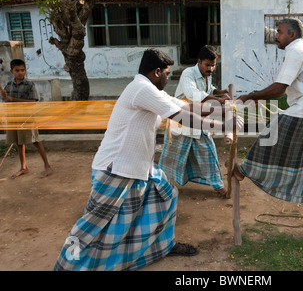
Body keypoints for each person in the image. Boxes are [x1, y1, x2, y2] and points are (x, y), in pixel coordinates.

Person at [53, 49, 242, 271]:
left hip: (141, 167)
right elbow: (181, 117)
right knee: (92, 224)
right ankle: (66, 265)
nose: (168, 77)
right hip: (115, 169)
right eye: (167, 74)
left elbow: (184, 106)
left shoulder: (149, 88)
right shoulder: (141, 90)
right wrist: (222, 126)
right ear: (156, 72)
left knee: (167, 195)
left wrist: (220, 110)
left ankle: (163, 246)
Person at [232, 18, 303, 222]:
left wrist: (251, 96)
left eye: (279, 32)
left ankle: (244, 170)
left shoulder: (295, 51)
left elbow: (279, 88)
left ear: (292, 35)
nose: (276, 36)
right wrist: (260, 96)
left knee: (272, 133)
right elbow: (282, 91)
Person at [158, 45, 231, 197]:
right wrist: (219, 100)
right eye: (208, 65)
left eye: (213, 65)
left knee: (208, 152)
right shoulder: (188, 73)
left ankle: (217, 185)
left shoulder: (206, 74)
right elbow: (194, 94)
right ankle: (159, 183)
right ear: (199, 62)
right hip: (181, 120)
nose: (210, 68)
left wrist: (219, 92)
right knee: (171, 156)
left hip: (196, 121)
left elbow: (208, 89)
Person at [0, 59, 53, 179]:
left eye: (22, 70)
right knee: (19, 142)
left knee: (36, 141)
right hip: (14, 117)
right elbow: (7, 100)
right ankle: (24, 167)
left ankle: (47, 165)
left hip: (27, 117)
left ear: (25, 70)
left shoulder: (30, 85)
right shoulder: (9, 85)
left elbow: (33, 102)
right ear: (11, 71)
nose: (20, 73)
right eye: (17, 70)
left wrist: (12, 99)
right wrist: (6, 98)